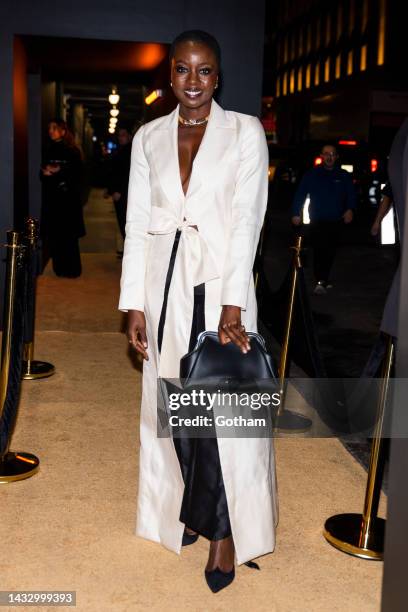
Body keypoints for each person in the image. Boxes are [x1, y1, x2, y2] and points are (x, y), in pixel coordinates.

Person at [119, 30, 278, 593]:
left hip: (218, 282)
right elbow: (137, 223)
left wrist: (233, 303)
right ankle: (189, 507)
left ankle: (224, 531)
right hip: (163, 283)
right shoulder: (147, 137)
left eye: (204, 70)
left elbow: (248, 219)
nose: (193, 81)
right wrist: (133, 302)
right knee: (174, 408)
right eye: (183, 69)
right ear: (171, 76)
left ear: (218, 76)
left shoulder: (244, 132)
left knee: (220, 417)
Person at [291, 144, 356, 294]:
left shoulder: (343, 175)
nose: (329, 157)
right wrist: (296, 213)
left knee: (331, 251)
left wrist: (350, 209)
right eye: (326, 154)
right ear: (321, 156)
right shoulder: (311, 174)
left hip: (336, 221)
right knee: (319, 249)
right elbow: (300, 194)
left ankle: (324, 279)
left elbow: (351, 194)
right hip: (317, 220)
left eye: (332, 154)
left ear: (337, 157)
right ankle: (320, 281)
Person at [41, 119, 85, 277]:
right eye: (49, 128)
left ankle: (73, 269)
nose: (51, 131)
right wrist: (46, 173)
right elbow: (43, 173)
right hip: (53, 199)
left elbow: (77, 175)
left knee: (69, 236)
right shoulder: (48, 149)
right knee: (55, 235)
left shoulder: (72, 150)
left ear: (63, 131)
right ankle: (59, 268)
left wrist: (59, 171)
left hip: (68, 201)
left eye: (54, 128)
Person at [106, 124, 133, 240]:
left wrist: (119, 191)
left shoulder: (130, 151)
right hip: (120, 193)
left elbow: (127, 174)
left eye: (123, 135)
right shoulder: (121, 150)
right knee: (122, 223)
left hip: (124, 195)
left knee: (125, 223)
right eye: (119, 135)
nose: (120, 138)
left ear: (129, 137)